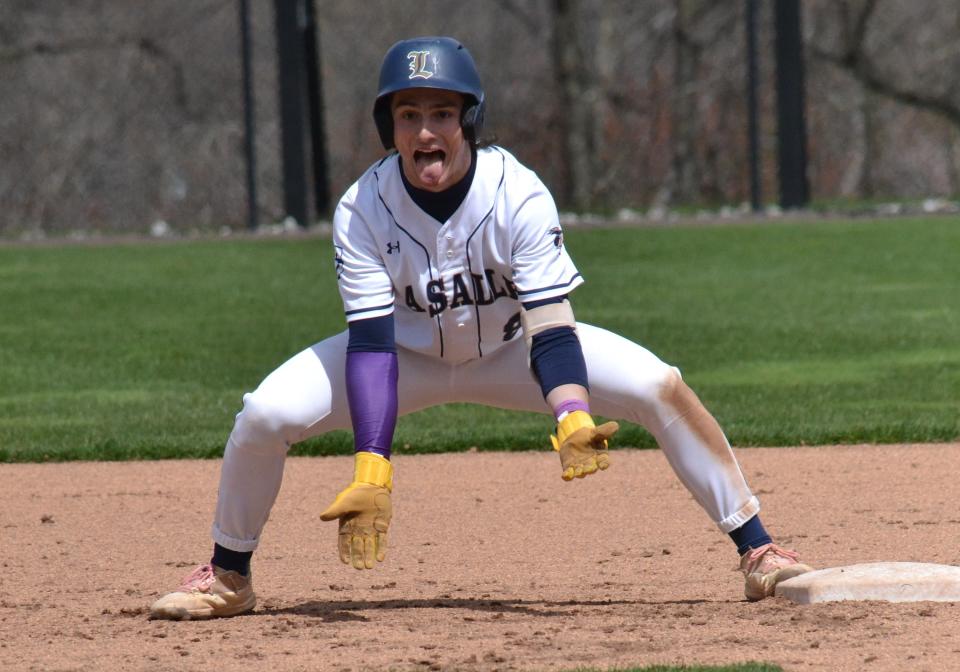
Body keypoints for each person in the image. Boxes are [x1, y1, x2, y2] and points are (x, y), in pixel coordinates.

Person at [150, 36, 812, 620]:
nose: (425, 131)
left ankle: (758, 551)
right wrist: (372, 469)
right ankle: (229, 575)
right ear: (391, 128)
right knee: (264, 414)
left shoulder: (516, 193)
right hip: (403, 357)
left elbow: (550, 327)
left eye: (441, 113)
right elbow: (373, 348)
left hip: (512, 350)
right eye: (408, 115)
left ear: (468, 122)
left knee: (659, 388)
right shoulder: (364, 209)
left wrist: (574, 414)